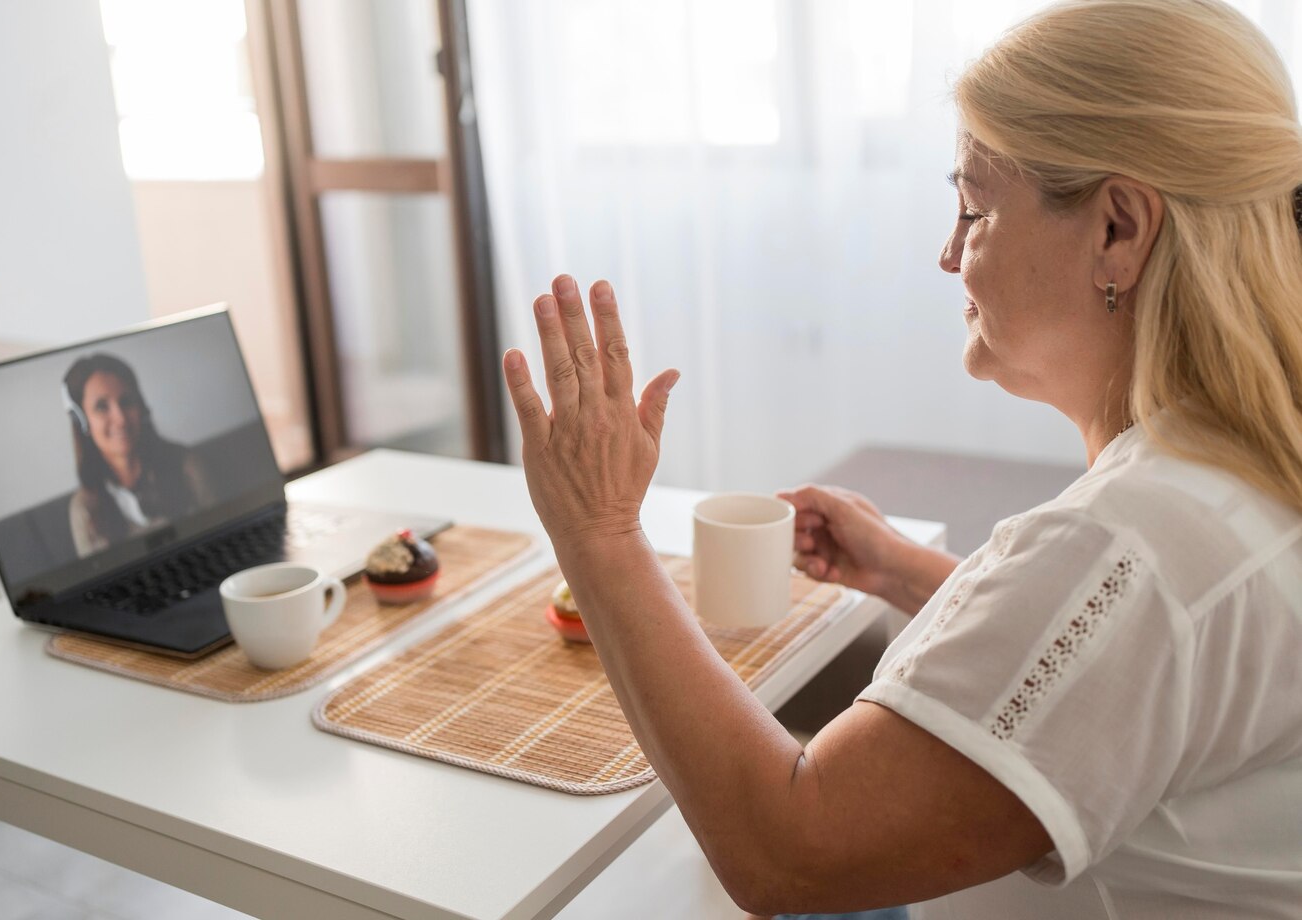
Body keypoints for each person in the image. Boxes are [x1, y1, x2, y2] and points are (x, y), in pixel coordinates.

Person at [497, 0, 1302, 917]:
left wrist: (599, 534)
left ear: (1117, 229)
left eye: (975, 207)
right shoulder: (1235, 474)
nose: (948, 253)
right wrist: (916, 575)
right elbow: (1138, 667)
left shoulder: (1133, 543)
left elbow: (788, 851)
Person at [63, 353, 213, 557]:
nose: (121, 419)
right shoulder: (84, 508)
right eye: (102, 407)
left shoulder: (186, 466)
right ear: (82, 422)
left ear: (140, 407)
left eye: (126, 401)